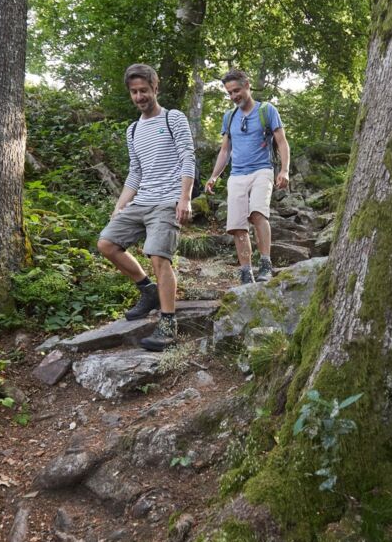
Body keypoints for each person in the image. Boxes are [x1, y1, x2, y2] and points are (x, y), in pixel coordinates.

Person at [96, 64, 196, 351]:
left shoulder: (173, 118)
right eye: (134, 92)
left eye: (144, 90)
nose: (139, 96)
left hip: (167, 201)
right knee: (106, 244)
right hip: (141, 201)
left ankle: (168, 323)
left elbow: (188, 158)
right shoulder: (133, 130)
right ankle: (147, 290)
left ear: (155, 89)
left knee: (158, 256)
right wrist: (120, 206)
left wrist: (185, 197)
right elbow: (135, 172)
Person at [204, 69, 291, 285]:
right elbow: (225, 150)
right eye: (230, 93)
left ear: (247, 85)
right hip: (237, 175)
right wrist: (215, 176)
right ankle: (245, 271)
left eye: (236, 90)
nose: (234, 96)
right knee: (237, 225)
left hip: (262, 170)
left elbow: (281, 142)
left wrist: (284, 170)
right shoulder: (229, 116)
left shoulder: (267, 110)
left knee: (258, 214)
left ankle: (265, 263)